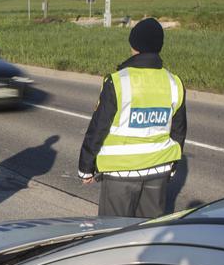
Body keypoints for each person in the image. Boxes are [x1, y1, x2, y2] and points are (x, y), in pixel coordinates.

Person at [78, 18, 187, 218]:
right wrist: (172, 166)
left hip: (121, 173)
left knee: (113, 236)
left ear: (134, 45)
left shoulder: (118, 81)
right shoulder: (174, 82)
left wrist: (86, 167)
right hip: (158, 170)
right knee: (148, 234)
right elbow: (179, 131)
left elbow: (99, 127)